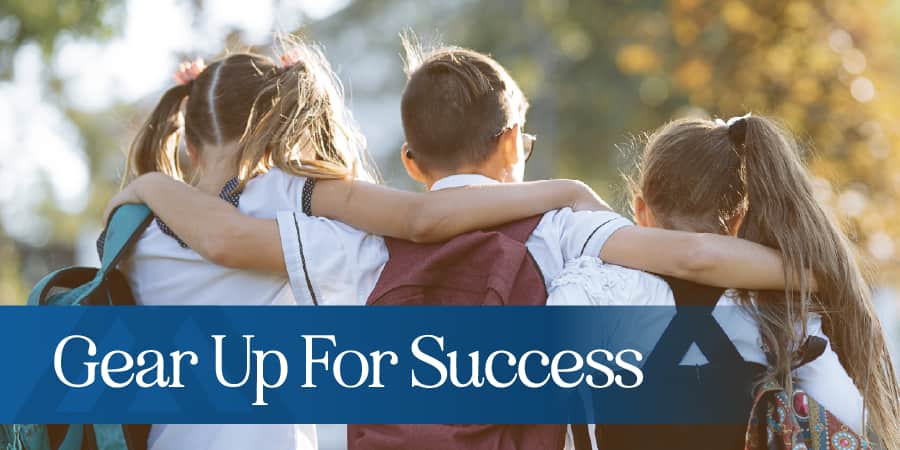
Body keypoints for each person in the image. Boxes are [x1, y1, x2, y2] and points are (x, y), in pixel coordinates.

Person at [108, 39, 802, 449]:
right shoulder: (562, 226)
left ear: (411, 163)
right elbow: (693, 256)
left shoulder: (357, 252)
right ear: (510, 145)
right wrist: (814, 272)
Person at [550, 115, 900, 449]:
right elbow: (843, 417)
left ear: (641, 210)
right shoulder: (779, 308)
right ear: (738, 218)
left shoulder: (600, 289)